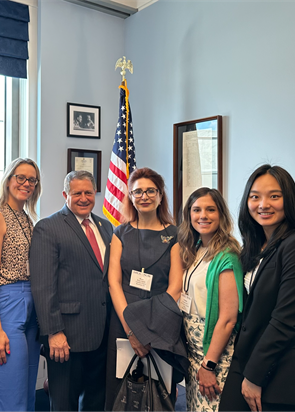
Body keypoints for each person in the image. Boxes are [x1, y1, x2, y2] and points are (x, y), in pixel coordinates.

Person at [219, 165, 295, 412]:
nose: (263, 204)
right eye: (255, 196)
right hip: (248, 362)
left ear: (288, 200)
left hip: (287, 378)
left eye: (274, 196)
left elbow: (287, 321)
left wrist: (254, 376)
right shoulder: (256, 247)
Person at [30, 170, 114, 412]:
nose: (84, 198)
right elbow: (43, 286)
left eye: (89, 192)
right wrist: (54, 332)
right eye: (77, 193)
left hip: (102, 332)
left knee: (96, 401)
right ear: (66, 194)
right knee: (65, 402)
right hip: (67, 336)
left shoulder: (106, 227)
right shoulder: (48, 228)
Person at [105, 167, 183, 411]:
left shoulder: (175, 235)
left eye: (151, 191)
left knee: (158, 392)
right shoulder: (120, 233)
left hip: (161, 324)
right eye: (137, 191)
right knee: (121, 391)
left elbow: (176, 288)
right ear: (129, 196)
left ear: (160, 196)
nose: (144, 196)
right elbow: (114, 283)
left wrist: (148, 332)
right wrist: (132, 331)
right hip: (123, 322)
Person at [0, 158, 42, 412]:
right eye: (20, 177)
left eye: (32, 180)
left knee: (27, 393)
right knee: (9, 395)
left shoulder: (27, 219)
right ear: (8, 180)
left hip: (30, 307)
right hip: (5, 305)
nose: (26, 184)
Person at [177, 188, 244, 411]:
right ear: (189, 215)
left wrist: (208, 365)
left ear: (221, 215)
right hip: (195, 353)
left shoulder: (227, 255)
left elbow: (227, 319)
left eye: (210, 210)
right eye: (196, 210)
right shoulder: (196, 249)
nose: (203, 215)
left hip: (215, 356)